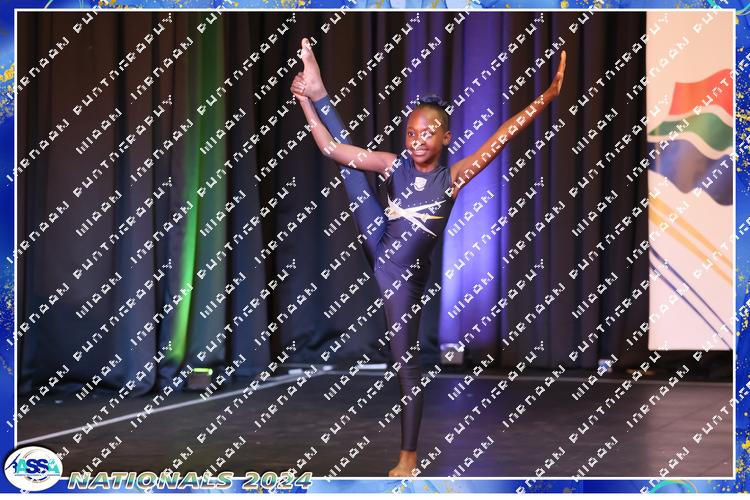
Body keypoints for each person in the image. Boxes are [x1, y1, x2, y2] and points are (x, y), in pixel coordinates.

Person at [290, 37, 566, 477]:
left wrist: (547, 97)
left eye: (428, 133)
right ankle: (320, 90)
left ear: (446, 137)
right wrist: (306, 103)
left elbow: (503, 135)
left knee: (407, 366)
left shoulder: (452, 178)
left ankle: (409, 458)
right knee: (350, 169)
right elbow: (330, 148)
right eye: (411, 134)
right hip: (379, 237)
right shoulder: (392, 164)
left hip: (402, 278)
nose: (417, 141)